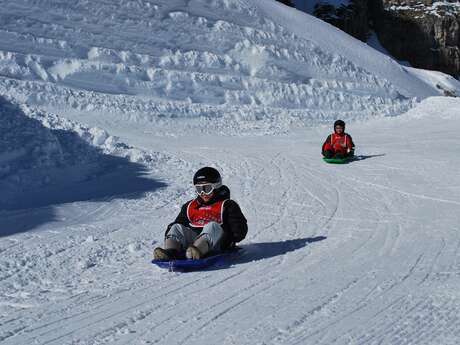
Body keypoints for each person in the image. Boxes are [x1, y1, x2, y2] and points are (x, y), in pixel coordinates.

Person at [153, 167, 248, 261]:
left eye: (207, 188)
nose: (203, 193)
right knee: (176, 227)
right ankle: (171, 252)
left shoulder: (227, 205)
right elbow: (180, 222)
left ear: (216, 186)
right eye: (199, 189)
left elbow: (240, 229)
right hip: (193, 243)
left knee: (212, 226)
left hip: (218, 242)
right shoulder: (190, 206)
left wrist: (229, 239)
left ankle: (197, 251)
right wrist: (171, 230)